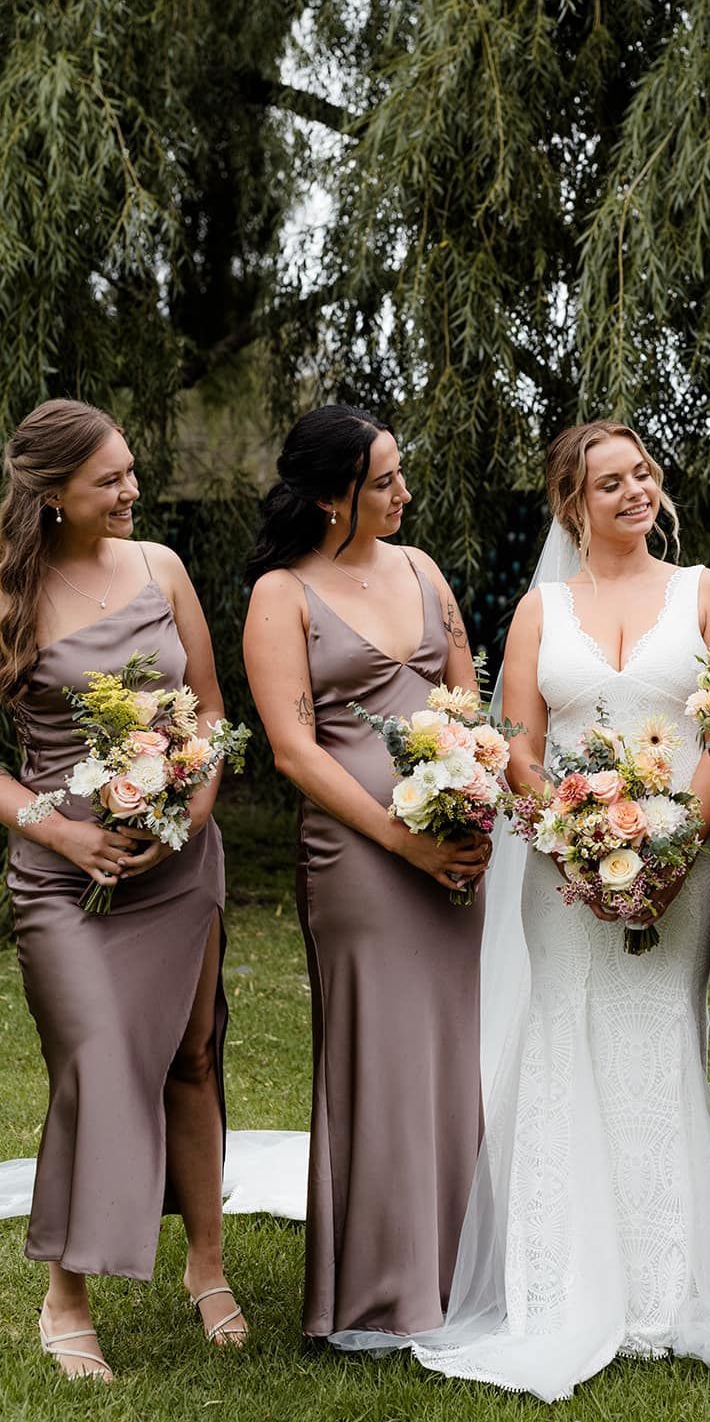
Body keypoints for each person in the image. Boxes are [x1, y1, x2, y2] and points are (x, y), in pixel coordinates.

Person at [399, 420, 710, 1400]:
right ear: (572, 503)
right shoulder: (538, 610)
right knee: (561, 1045)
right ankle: (553, 1281)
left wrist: (671, 849)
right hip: (560, 873)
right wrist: (576, 839)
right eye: (608, 483)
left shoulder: (706, 591)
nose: (633, 492)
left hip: (677, 868)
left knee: (653, 1041)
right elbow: (520, 745)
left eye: (642, 473)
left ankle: (660, 1289)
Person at [0, 399, 244, 1381]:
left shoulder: (163, 570)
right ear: (52, 496)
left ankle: (209, 1265)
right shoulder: (10, 592)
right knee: (99, 1061)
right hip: (62, 878)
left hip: (179, 862)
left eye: (132, 472)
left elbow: (214, 711)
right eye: (109, 480)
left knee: (189, 1060)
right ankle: (67, 1296)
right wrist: (55, 826)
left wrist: (186, 812)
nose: (133, 491)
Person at [242, 404, 488, 1340]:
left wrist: (470, 803)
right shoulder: (283, 595)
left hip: (452, 841)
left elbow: (466, 693)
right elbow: (295, 753)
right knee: (378, 1051)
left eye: (398, 474)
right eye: (382, 481)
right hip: (356, 855)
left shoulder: (422, 568)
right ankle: (381, 1291)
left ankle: (462, 1270)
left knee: (454, 1046)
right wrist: (401, 836)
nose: (403, 493)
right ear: (327, 497)